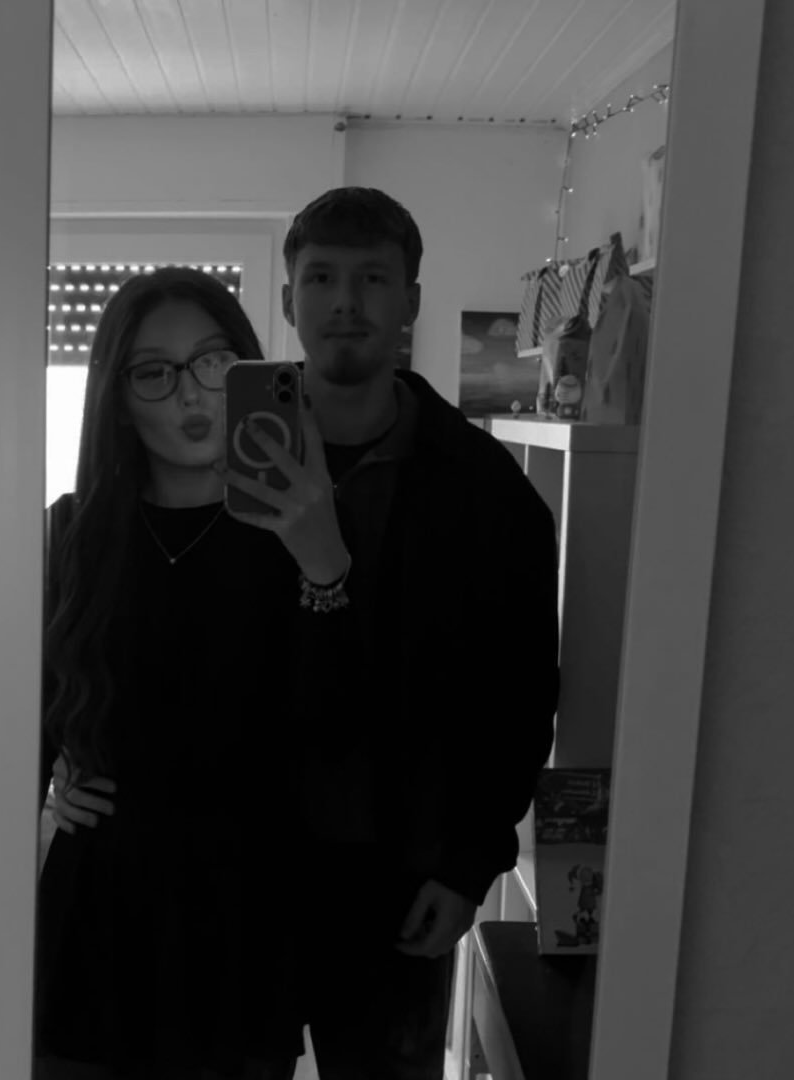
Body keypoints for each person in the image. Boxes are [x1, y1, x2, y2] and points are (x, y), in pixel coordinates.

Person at [33, 266, 359, 1080]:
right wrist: (47, 782)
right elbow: (14, 714)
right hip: (101, 907)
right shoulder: (71, 535)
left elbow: (347, 729)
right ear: (117, 396)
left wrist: (325, 565)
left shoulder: (306, 528)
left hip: (243, 911)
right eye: (154, 371)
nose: (191, 394)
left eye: (215, 363)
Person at [274, 187, 561, 1079]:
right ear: (287, 299)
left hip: (400, 881)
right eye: (321, 277)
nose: (345, 302)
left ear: (411, 301)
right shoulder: (233, 463)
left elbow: (520, 697)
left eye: (372, 278)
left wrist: (470, 863)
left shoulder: (488, 493)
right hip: (242, 865)